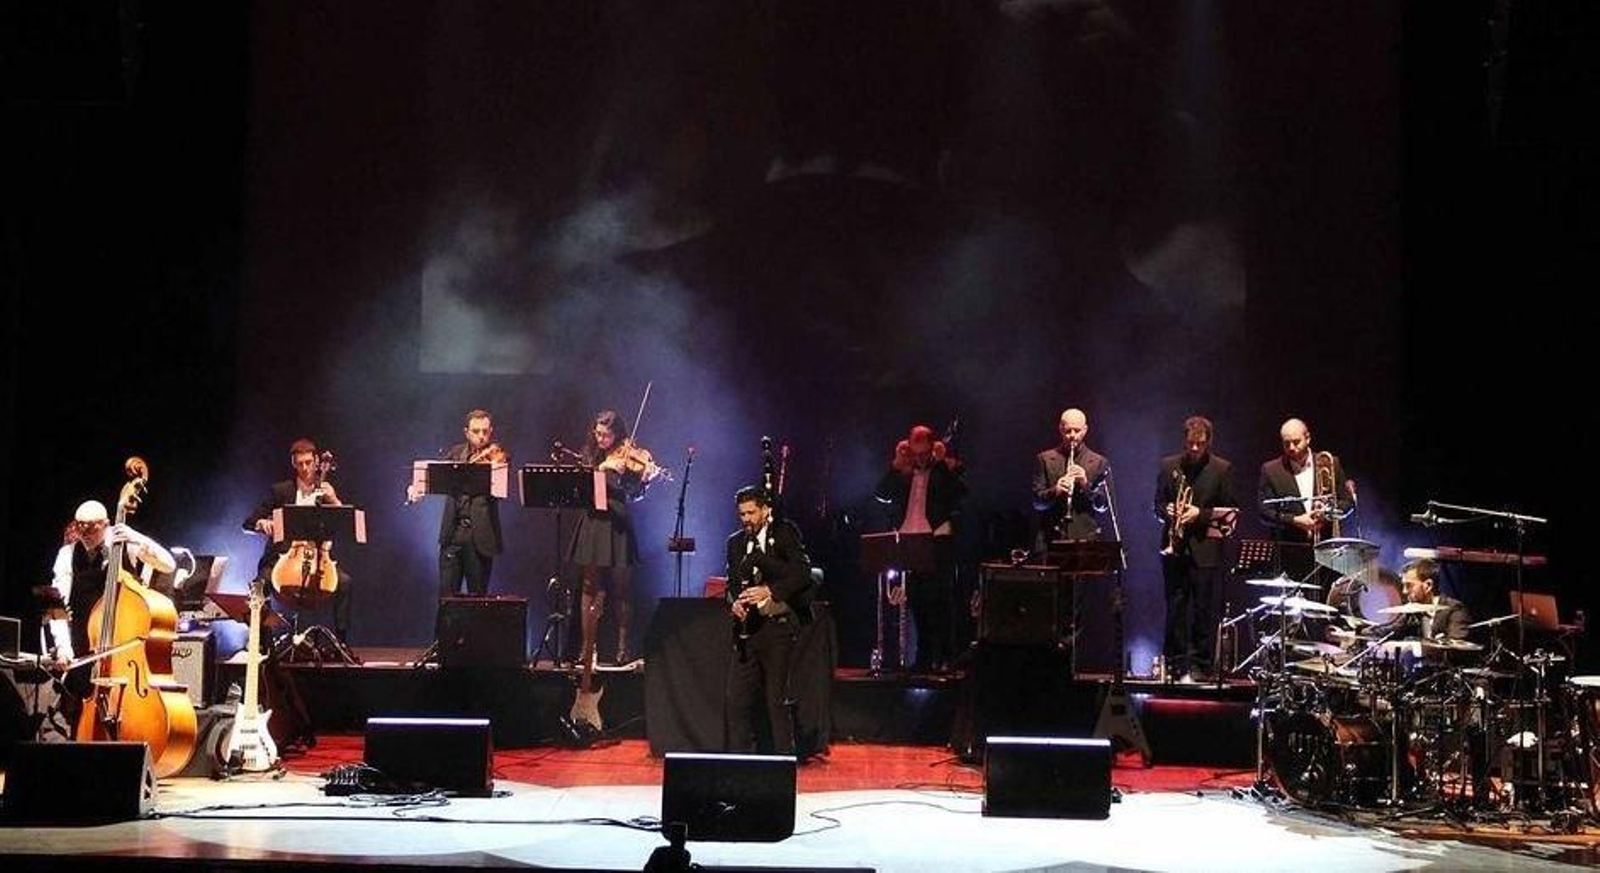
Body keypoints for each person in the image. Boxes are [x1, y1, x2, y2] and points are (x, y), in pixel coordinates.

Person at [45, 499, 176, 707]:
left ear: (106, 525)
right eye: (80, 527)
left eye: (91, 528)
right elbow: (57, 607)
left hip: (123, 647)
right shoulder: (67, 554)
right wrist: (62, 646)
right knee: (76, 708)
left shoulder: (126, 545)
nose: (85, 533)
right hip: (83, 645)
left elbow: (168, 565)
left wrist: (135, 537)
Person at [725, 485, 815, 754]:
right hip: (747, 631)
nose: (746, 519)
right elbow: (732, 583)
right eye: (742, 514)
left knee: (776, 700)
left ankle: (785, 762)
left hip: (778, 627)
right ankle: (740, 763)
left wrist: (770, 591)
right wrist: (734, 602)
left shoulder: (784, 533)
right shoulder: (735, 543)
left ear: (765, 510)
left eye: (751, 513)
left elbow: (803, 574)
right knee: (736, 700)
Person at [569, 410, 662, 667]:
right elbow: (583, 481)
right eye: (597, 433)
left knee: (621, 589)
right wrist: (604, 466)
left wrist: (645, 479)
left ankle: (623, 648)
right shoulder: (590, 454)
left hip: (617, 523)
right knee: (589, 586)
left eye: (606, 435)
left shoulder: (629, 454)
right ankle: (587, 647)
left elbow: (634, 494)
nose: (600, 438)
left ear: (617, 434)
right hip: (593, 521)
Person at [873, 424, 965, 672]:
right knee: (917, 601)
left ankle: (946, 657)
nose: (921, 459)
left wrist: (942, 463)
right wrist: (896, 464)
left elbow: (958, 494)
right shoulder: (904, 472)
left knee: (941, 601)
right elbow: (880, 493)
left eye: (925, 453)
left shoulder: (945, 468)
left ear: (933, 448)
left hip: (936, 540)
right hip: (909, 540)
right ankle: (923, 658)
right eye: (916, 454)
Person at [1152, 416, 1238, 683]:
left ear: (1208, 442)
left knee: (1203, 611)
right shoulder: (1169, 465)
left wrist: (1198, 514)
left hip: (1205, 550)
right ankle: (1175, 664)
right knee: (1175, 609)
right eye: (1190, 443)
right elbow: (1157, 505)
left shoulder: (1221, 469)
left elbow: (1229, 510)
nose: (1194, 448)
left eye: (1199, 444)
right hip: (1175, 548)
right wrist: (1167, 511)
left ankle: (1201, 665)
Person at [243, 438, 354, 642]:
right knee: (260, 583)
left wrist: (334, 500)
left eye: (308, 463)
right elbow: (248, 523)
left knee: (345, 583)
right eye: (300, 464)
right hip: (282, 560)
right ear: (293, 463)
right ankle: (263, 644)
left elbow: (344, 524)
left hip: (319, 560)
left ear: (316, 461)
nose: (304, 469)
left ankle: (341, 643)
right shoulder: (281, 491)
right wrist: (261, 523)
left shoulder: (327, 491)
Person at [408, 409, 507, 598]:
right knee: (446, 596)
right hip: (453, 533)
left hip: (480, 536)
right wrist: (416, 488)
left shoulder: (497, 455)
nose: (481, 436)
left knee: (478, 598)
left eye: (485, 431)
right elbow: (434, 476)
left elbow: (501, 492)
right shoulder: (456, 453)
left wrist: (492, 469)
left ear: (491, 431)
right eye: (476, 431)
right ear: (466, 432)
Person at [1256, 418, 1354, 578]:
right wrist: (1295, 520)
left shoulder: (1330, 463)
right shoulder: (1271, 470)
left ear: (1308, 438)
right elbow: (1264, 512)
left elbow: (1347, 502)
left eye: (1296, 442)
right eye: (1286, 443)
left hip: (1327, 551)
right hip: (1290, 555)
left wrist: (1327, 513)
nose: (1291, 448)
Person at [1032, 408, 1109, 542]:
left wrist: (1086, 484)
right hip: (1051, 536)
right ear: (1060, 429)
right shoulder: (1044, 459)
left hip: (1085, 537)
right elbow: (1037, 503)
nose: (1072, 435)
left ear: (1085, 430)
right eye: (1068, 431)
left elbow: (1102, 506)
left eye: (1077, 430)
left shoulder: (1099, 462)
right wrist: (1056, 490)